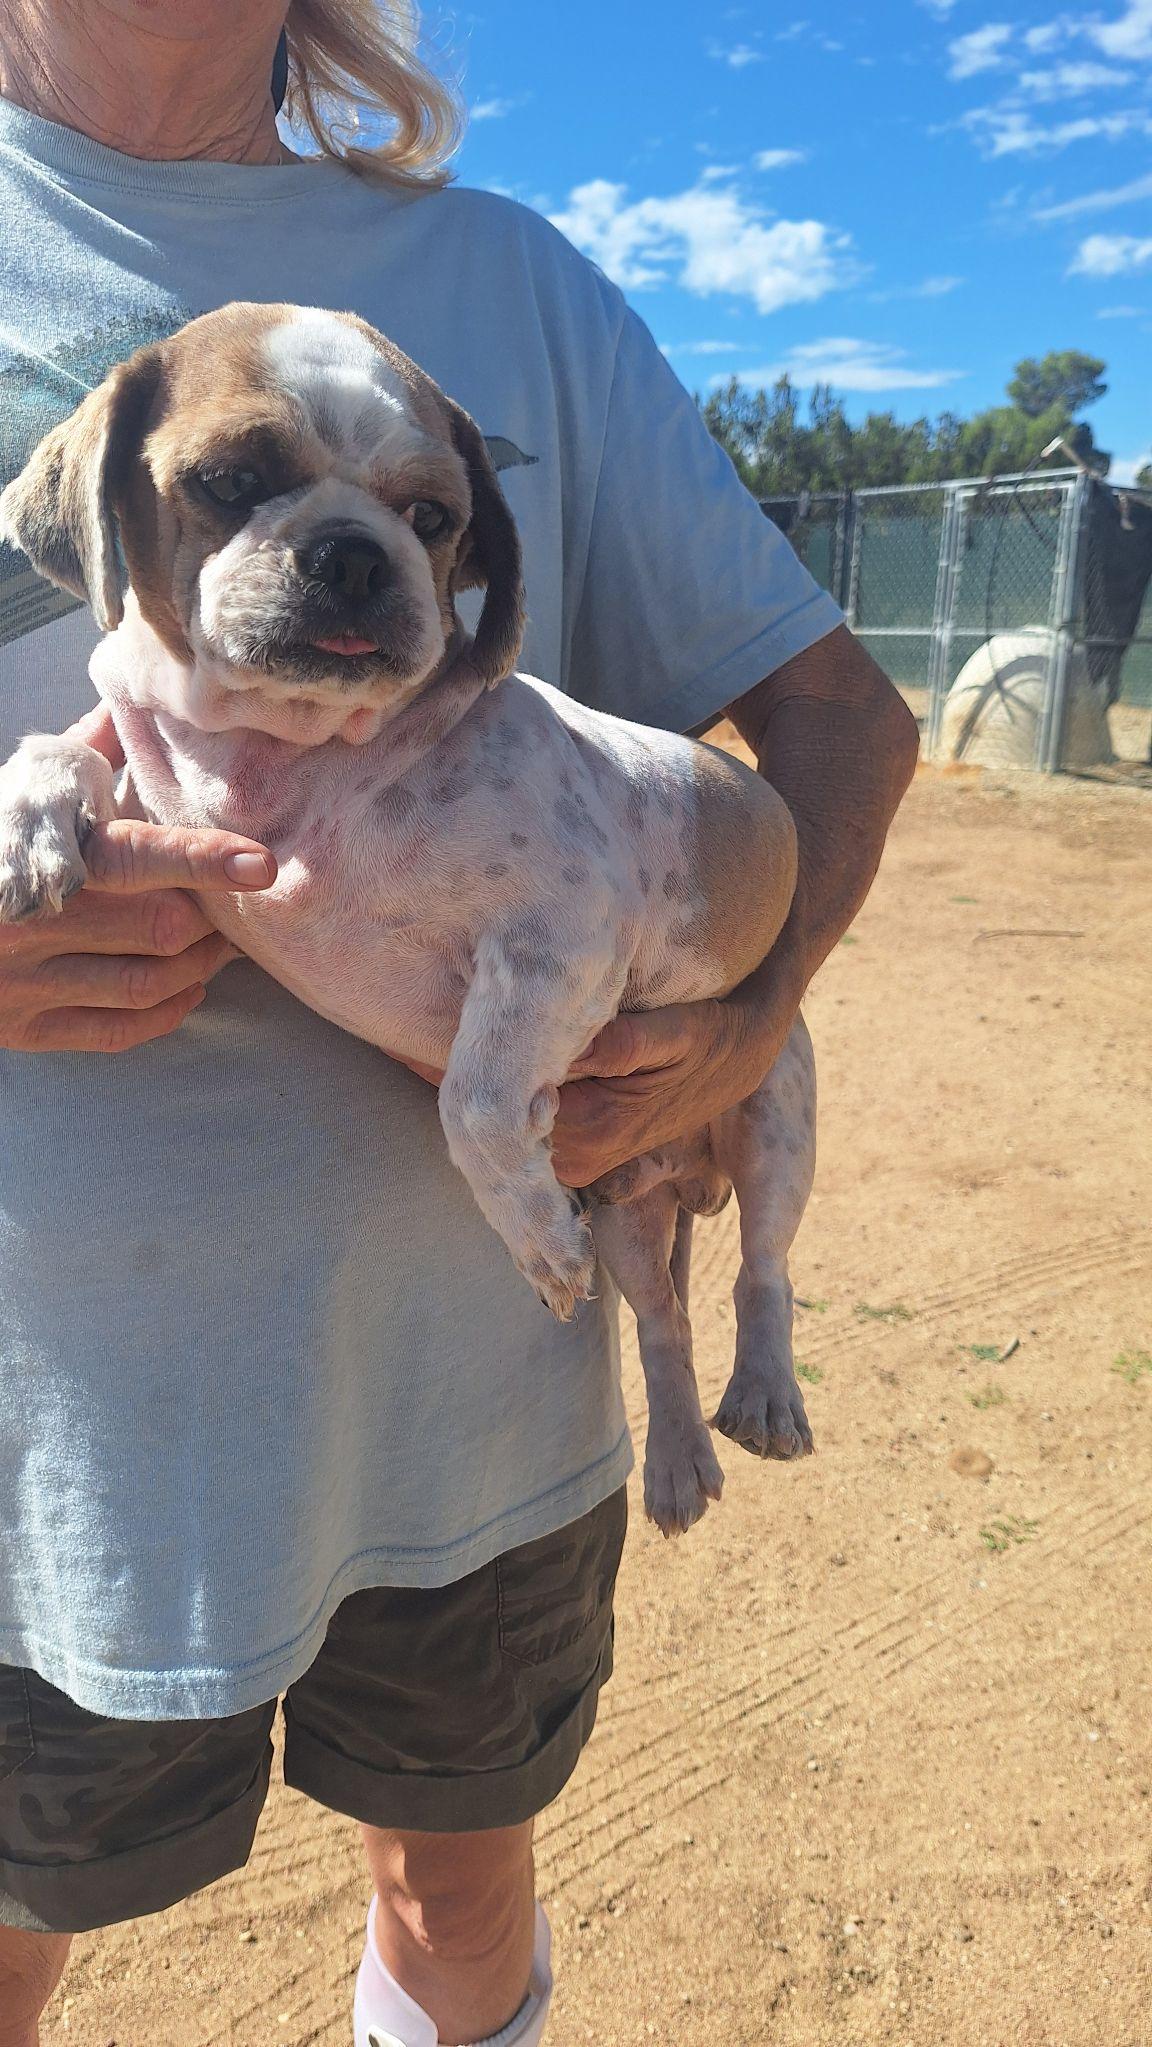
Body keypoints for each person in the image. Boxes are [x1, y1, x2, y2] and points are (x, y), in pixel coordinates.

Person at [0, 4, 919, 2044]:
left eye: (417, 519)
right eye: (240, 486)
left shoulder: (510, 283)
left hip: (468, 1402)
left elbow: (845, 717)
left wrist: (746, 1029)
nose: (344, 555)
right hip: (38, 1434)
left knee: (457, 1882)